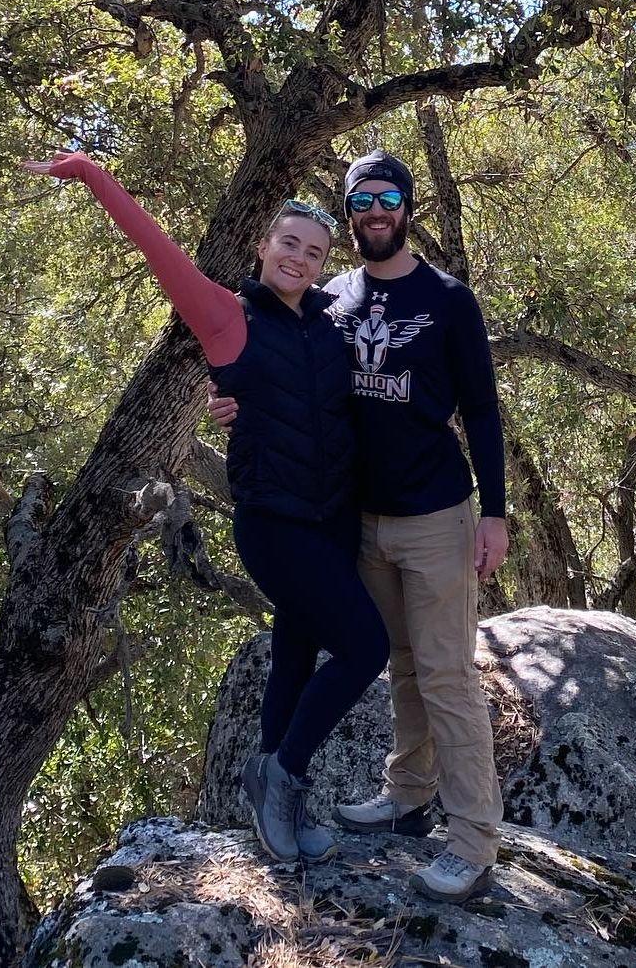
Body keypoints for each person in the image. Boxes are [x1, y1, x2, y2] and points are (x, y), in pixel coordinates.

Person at [22, 150, 388, 867]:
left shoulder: (332, 319)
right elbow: (155, 248)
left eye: (313, 251)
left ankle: (273, 783)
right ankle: (282, 776)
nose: (299, 258)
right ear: (263, 246)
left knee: (294, 651)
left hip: (335, 516)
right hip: (276, 523)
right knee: (364, 648)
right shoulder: (226, 315)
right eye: (288, 243)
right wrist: (92, 173)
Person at [210, 149, 510, 904]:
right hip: (358, 519)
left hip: (436, 513)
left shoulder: (448, 298)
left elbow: (480, 408)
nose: (376, 210)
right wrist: (237, 405)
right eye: (361, 200)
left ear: (407, 208)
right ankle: (407, 794)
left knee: (445, 674)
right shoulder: (330, 296)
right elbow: (285, 371)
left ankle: (472, 840)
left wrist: (496, 512)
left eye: (389, 197)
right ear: (347, 214)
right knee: (398, 662)